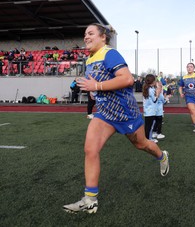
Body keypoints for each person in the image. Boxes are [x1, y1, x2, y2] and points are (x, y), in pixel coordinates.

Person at [63, 23, 169, 214]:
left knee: (141, 144)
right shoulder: (89, 60)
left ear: (103, 37)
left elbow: (127, 79)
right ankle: (90, 199)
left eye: (90, 33)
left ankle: (162, 157)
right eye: (85, 34)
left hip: (125, 112)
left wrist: (97, 86)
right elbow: (98, 85)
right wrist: (94, 91)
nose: (86, 37)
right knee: (90, 149)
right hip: (104, 114)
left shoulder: (109, 53)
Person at [142, 74, 164, 143]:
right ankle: (149, 139)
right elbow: (154, 100)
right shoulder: (150, 90)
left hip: (148, 111)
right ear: (153, 81)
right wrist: (157, 94)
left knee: (148, 126)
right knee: (149, 127)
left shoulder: (147, 88)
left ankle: (149, 138)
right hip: (150, 111)